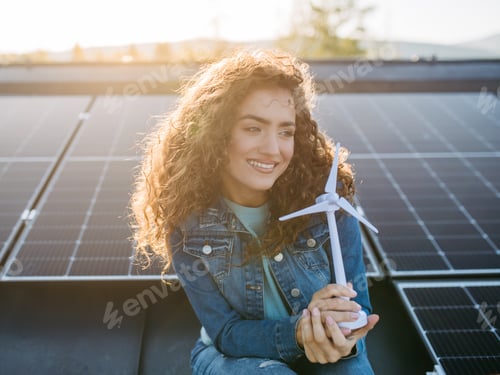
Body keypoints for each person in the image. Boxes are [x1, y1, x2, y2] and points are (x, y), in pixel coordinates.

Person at [130, 48, 379, 374]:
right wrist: (298, 332)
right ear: (215, 133)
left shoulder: (328, 204)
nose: (273, 149)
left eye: (285, 132)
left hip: (322, 350)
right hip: (232, 356)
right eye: (253, 128)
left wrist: (343, 335)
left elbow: (358, 306)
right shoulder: (186, 222)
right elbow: (225, 332)